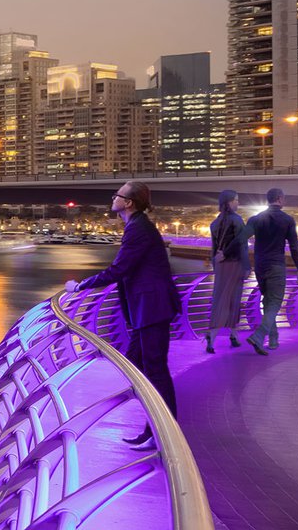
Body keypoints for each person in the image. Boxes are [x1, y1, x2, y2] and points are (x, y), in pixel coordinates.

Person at [68, 179, 179, 444]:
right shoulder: (137, 226)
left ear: (128, 202)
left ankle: (164, 435)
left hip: (151, 307)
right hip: (147, 308)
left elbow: (119, 270)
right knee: (135, 366)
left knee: (155, 370)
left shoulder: (138, 229)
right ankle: (154, 430)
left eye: (116, 195)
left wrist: (79, 286)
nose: (112, 199)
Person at [246, 186, 298, 353]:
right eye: (284, 198)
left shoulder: (256, 219)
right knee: (275, 302)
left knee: (267, 301)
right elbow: (294, 246)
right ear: (280, 199)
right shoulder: (287, 220)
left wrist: (245, 263)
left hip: (259, 266)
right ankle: (259, 336)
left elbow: (240, 240)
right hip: (276, 266)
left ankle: (273, 339)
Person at [205, 188, 249, 354]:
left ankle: (233, 336)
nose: (238, 203)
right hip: (235, 264)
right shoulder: (236, 220)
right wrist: (246, 266)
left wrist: (216, 263)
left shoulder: (215, 223)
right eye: (236, 200)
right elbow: (241, 244)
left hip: (221, 267)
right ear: (229, 202)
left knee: (220, 299)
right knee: (232, 300)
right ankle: (212, 334)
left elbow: (213, 248)